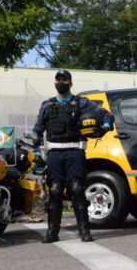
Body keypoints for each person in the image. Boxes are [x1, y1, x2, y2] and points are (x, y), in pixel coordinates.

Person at [32, 69, 114, 243]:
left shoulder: (82, 103)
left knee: (77, 189)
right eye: (58, 79)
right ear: (55, 83)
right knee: (54, 191)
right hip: (54, 154)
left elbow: (106, 115)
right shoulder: (47, 105)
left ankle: (84, 230)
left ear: (70, 83)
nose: (61, 82)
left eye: (64, 79)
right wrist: (38, 153)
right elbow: (37, 131)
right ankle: (52, 232)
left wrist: (105, 126)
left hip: (74, 152)